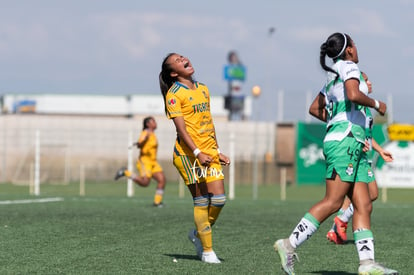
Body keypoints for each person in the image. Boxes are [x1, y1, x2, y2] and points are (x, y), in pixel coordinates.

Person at [274, 33, 398, 275]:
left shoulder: (333, 74)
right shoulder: (350, 67)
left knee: (364, 204)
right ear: (349, 49)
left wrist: (338, 120)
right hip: (346, 142)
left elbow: (314, 108)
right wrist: (376, 104)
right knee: (333, 202)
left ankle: (367, 264)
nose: (356, 48)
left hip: (351, 141)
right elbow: (353, 95)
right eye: (355, 44)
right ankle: (287, 245)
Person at [159, 53, 230, 264]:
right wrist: (198, 153)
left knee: (219, 200)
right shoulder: (173, 94)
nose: (183, 59)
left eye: (182, 56)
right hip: (189, 156)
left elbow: (209, 122)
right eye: (177, 61)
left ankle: (198, 232)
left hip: (209, 153)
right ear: (174, 73)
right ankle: (207, 250)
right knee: (201, 200)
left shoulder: (203, 88)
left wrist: (216, 151)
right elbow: (181, 130)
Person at [326, 72, 394, 244]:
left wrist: (379, 150)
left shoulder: (364, 108)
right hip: (355, 154)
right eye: (366, 80)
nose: (370, 83)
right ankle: (340, 222)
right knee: (364, 195)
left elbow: (366, 135)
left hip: (363, 154)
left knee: (369, 195)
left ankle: (340, 223)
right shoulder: (354, 107)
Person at [114, 116, 167, 207]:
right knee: (145, 183)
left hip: (153, 162)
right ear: (148, 124)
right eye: (153, 121)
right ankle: (125, 172)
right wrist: (142, 141)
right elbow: (140, 144)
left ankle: (157, 202)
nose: (155, 123)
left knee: (162, 180)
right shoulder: (145, 133)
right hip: (145, 161)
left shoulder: (153, 134)